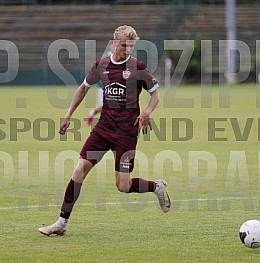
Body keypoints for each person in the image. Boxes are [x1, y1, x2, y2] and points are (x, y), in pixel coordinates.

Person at [39, 25, 171, 236]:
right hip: (103, 130)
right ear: (114, 41)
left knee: (123, 186)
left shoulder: (137, 67)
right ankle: (61, 223)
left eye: (131, 46)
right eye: (125, 45)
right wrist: (68, 115)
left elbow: (155, 94)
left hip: (126, 133)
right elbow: (83, 89)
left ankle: (156, 186)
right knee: (79, 171)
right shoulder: (101, 66)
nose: (128, 49)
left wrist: (147, 111)